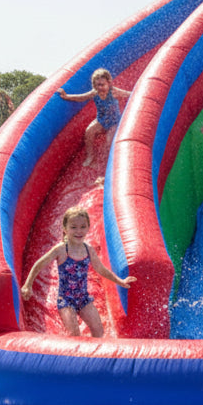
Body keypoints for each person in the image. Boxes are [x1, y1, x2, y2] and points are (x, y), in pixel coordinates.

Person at [19, 206, 136, 337]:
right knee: (74, 334)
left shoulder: (88, 249)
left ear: (88, 228)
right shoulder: (61, 249)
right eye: (73, 227)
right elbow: (39, 264)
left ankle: (94, 356)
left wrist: (120, 281)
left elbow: (101, 269)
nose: (79, 231)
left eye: (83, 227)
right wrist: (27, 285)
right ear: (65, 229)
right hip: (66, 300)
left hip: (83, 298)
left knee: (99, 330)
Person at [56, 68, 132, 175]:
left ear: (109, 83)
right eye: (97, 85)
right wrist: (67, 96)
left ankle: (109, 162)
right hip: (101, 120)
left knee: (109, 140)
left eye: (102, 84)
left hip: (114, 122)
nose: (100, 88)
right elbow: (82, 98)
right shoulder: (94, 93)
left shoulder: (114, 92)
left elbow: (130, 94)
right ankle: (90, 155)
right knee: (89, 132)